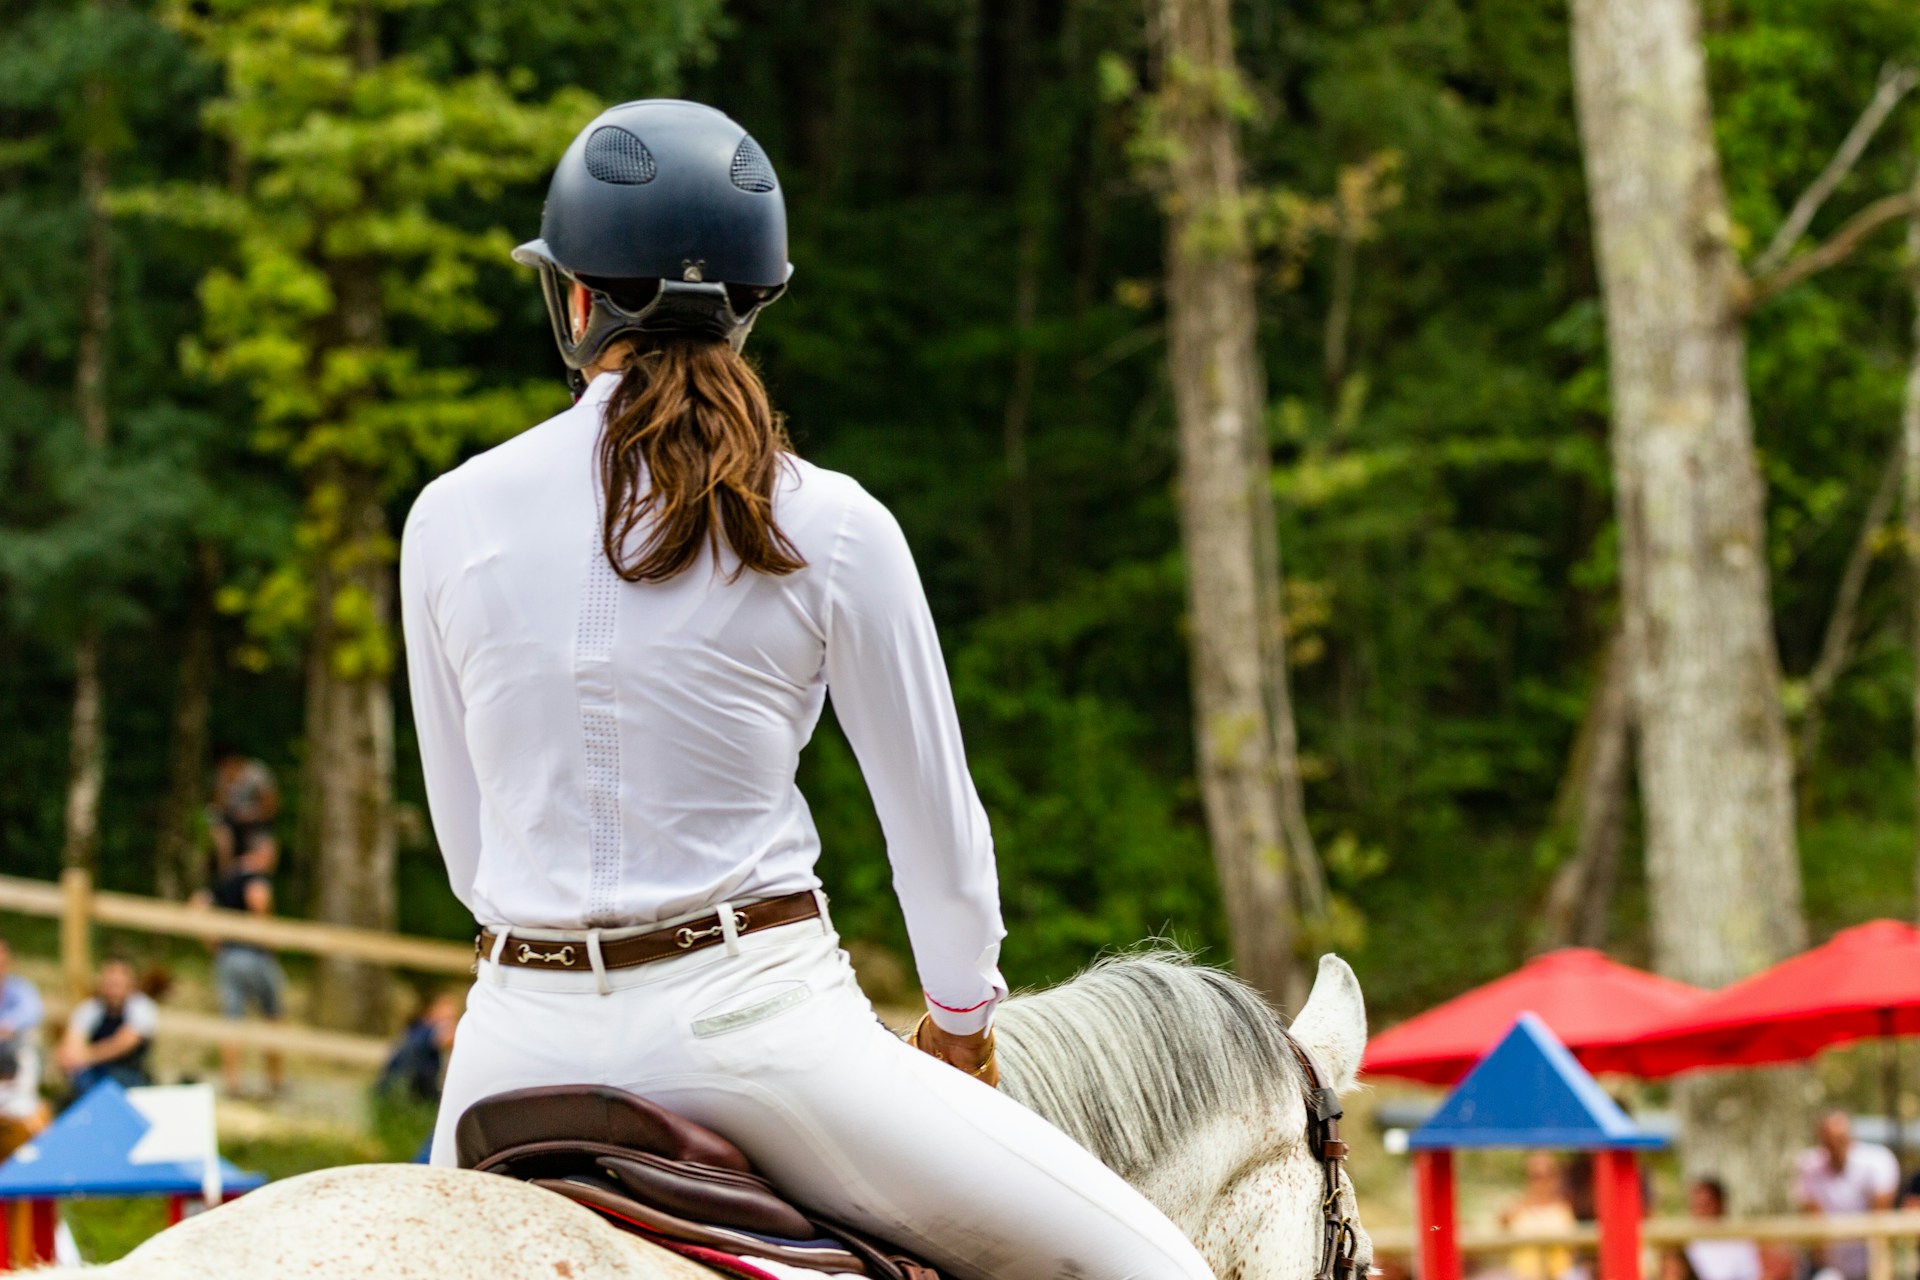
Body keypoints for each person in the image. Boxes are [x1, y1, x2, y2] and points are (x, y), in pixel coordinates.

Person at [401, 99, 1216, 1280]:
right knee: (1162, 1269)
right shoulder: (831, 522)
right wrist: (961, 1019)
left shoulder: (446, 516)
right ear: (755, 304)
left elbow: (471, 855)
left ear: (575, 302)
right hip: (753, 1031)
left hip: (512, 1049)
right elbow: (936, 838)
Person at [192, 862, 287, 1098]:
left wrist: (212, 943)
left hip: (227, 957)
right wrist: (269, 942)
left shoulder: (223, 879)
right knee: (272, 1016)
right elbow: (259, 900)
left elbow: (196, 906)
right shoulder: (255, 875)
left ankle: (232, 1084)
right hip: (255, 955)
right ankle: (275, 1082)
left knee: (232, 1020)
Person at [1793, 1110, 1899, 1280]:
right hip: (1831, 1265)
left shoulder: (1877, 1161)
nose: (1834, 1145)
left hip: (1868, 1262)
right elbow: (1814, 1221)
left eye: (1839, 1139)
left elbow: (1880, 1221)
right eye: (1829, 1140)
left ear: (1850, 1137)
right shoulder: (1808, 1165)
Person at [55, 957, 158, 1093]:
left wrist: (84, 1056)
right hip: (94, 1072)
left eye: (118, 982)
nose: (113, 986)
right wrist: (69, 1055)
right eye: (110, 981)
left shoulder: (142, 1008)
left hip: (128, 1075)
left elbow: (124, 1043)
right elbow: (73, 1040)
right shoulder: (91, 1008)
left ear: (131, 983)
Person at [1499, 1151, 1577, 1280]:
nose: (1542, 1182)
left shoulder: (1564, 1208)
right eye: (1536, 1176)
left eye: (1548, 1174)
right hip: (1522, 1275)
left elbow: (1573, 1248)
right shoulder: (1514, 1208)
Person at [378, 991, 460, 1105]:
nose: (452, 1015)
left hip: (403, 1095)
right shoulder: (425, 1032)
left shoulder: (415, 1031)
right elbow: (444, 1037)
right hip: (403, 1097)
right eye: (447, 1006)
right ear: (433, 1010)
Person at [209, 748, 280, 876]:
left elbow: (271, 805)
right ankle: (226, 880)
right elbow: (217, 807)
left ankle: (260, 883)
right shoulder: (221, 775)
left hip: (256, 824)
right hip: (230, 823)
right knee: (221, 838)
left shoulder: (256, 773)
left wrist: (251, 815)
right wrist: (225, 786)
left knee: (267, 849)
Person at [1681, 1177, 1761, 1280]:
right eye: (1696, 1205)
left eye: (1706, 1204)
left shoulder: (1741, 1242)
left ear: (1721, 1204)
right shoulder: (1684, 1243)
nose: (1701, 1211)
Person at [0, 938, 44, 1054]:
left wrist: (9, 1025)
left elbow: (33, 1012)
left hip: (11, 1045)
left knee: (30, 1037)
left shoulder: (21, 988)